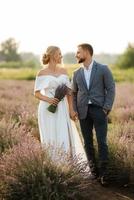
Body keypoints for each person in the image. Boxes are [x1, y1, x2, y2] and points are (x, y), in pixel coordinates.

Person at [34, 46, 88, 166]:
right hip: (47, 109)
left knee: (64, 134)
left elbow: (69, 93)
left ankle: (66, 165)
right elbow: (36, 93)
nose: (61, 56)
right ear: (53, 55)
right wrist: (50, 100)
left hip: (62, 108)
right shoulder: (41, 73)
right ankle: (52, 166)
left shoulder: (64, 71)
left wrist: (71, 109)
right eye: (59, 54)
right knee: (50, 136)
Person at [72, 43, 115, 185]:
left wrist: (106, 108)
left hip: (99, 110)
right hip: (83, 112)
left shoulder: (103, 69)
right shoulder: (76, 73)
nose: (76, 55)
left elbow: (111, 89)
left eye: (78, 52)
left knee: (102, 142)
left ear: (86, 52)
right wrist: (75, 109)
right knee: (87, 143)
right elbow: (74, 93)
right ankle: (93, 172)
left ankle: (105, 174)